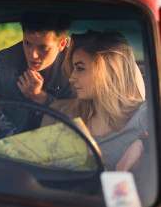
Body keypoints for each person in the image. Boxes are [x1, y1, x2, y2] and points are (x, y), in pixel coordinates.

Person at [49, 30, 147, 171]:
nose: (71, 78)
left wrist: (142, 144)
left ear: (108, 70)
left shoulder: (145, 116)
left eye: (80, 68)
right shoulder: (64, 116)